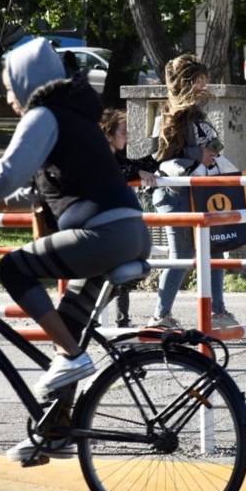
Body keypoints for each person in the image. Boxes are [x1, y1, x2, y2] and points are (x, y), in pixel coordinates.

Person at [0, 37, 151, 461]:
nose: (8, 98)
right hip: (128, 231)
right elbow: (50, 184)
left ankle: (73, 357)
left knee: (14, 269)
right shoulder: (74, 116)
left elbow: (6, 172)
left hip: (102, 236)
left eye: (9, 87)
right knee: (67, 326)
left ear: (29, 82)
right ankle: (57, 431)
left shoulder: (43, 114)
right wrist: (1, 202)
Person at [149, 54, 240, 330]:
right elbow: (158, 155)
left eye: (204, 80)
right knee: (182, 255)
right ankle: (160, 316)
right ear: (185, 82)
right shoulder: (167, 113)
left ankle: (219, 312)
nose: (204, 85)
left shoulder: (198, 114)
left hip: (201, 192)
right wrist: (196, 153)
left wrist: (211, 152)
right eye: (198, 80)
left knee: (215, 248)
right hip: (175, 193)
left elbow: (209, 147)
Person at [99, 108, 158, 327]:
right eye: (123, 132)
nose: (127, 136)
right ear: (108, 135)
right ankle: (91, 316)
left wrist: (159, 155)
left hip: (114, 225)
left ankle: (119, 320)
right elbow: (115, 172)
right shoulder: (99, 158)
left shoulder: (115, 157)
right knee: (125, 272)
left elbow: (137, 165)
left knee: (125, 271)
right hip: (102, 226)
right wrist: (136, 171)